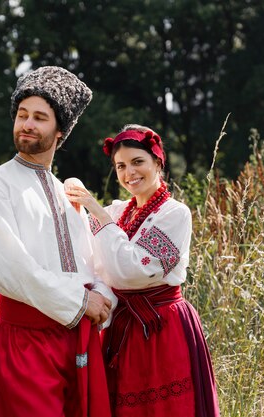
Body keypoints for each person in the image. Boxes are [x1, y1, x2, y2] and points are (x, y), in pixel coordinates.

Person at [0, 66, 115, 417]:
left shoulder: (66, 193)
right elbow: (11, 270)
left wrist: (102, 299)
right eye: (22, 115)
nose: (27, 124)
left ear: (60, 131)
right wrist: (81, 301)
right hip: (25, 340)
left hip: (77, 337)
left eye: (39, 117)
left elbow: (90, 264)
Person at [65, 125, 220, 417]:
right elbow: (92, 262)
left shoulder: (174, 213)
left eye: (138, 162)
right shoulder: (116, 212)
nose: (129, 173)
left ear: (157, 163)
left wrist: (95, 211)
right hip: (123, 325)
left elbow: (132, 270)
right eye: (120, 166)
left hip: (162, 325)